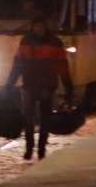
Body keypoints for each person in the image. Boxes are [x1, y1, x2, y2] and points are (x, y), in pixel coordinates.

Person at [5, 14, 74, 160]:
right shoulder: (29, 41)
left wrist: (69, 87)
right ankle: (29, 148)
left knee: (44, 118)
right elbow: (17, 64)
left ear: (45, 27)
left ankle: (41, 149)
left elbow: (63, 66)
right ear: (33, 27)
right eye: (36, 26)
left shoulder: (54, 43)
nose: (38, 29)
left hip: (46, 85)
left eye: (40, 26)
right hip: (30, 84)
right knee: (29, 117)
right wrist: (10, 83)